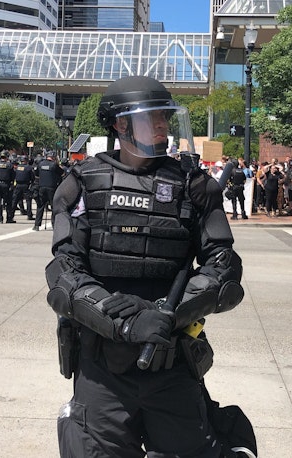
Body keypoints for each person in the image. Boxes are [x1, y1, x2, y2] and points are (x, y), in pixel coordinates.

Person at [45, 75, 247, 456]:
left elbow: (225, 273)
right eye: (152, 117)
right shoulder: (83, 182)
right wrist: (124, 322)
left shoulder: (194, 185)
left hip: (170, 354)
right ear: (120, 124)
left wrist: (166, 315)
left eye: (165, 118)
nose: (162, 126)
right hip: (103, 362)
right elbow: (63, 277)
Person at [33, 151, 62, 230]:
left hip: (41, 188)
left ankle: (36, 225)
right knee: (53, 207)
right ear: (53, 157)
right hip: (51, 188)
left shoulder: (40, 164)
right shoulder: (54, 165)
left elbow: (36, 174)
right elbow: (61, 173)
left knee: (40, 206)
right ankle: (54, 224)